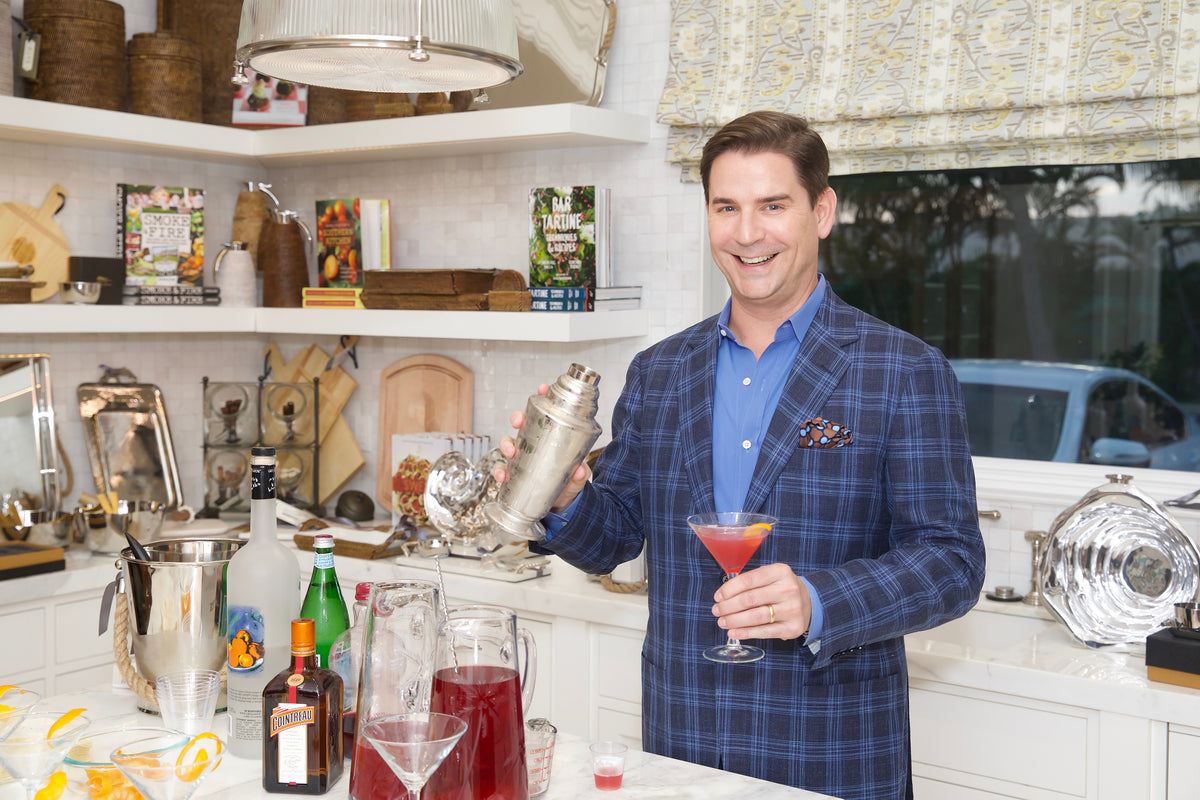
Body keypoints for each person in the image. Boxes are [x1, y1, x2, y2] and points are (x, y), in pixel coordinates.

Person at [498, 110, 985, 800]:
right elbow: (616, 537)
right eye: (726, 207)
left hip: (831, 754)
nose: (747, 233)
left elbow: (952, 562)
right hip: (683, 744)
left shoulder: (903, 369)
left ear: (822, 212)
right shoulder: (660, 371)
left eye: (772, 206)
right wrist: (566, 497)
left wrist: (819, 600)